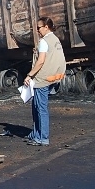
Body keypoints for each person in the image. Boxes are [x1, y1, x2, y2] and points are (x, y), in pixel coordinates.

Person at [24, 17, 66, 146]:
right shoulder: (56, 40)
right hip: (53, 77)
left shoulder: (44, 41)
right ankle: (36, 134)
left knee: (40, 108)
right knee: (37, 107)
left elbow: (41, 61)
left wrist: (29, 75)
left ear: (46, 27)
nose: (37, 30)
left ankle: (42, 138)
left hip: (42, 79)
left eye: (39, 28)